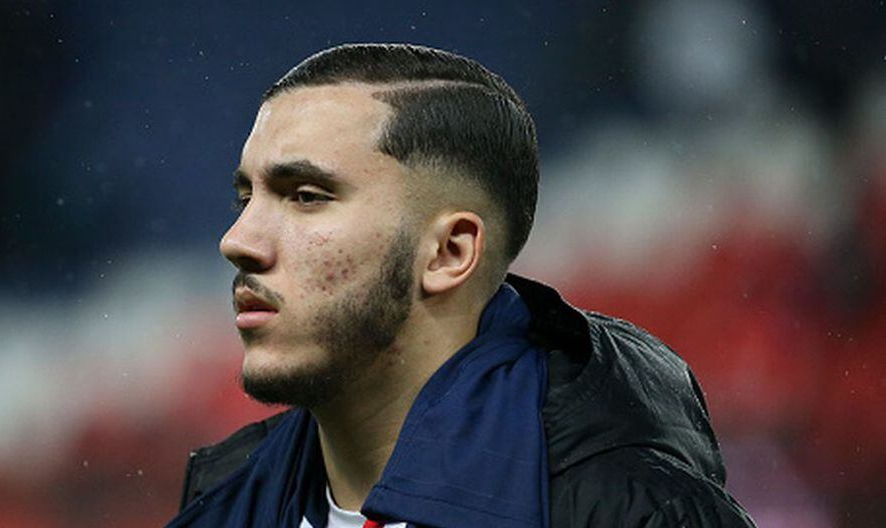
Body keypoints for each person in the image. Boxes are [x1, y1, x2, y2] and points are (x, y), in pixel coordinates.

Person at [166, 43, 757, 528]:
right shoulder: (219, 508)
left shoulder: (629, 513)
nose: (237, 240)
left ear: (449, 252)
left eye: (305, 196)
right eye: (246, 198)